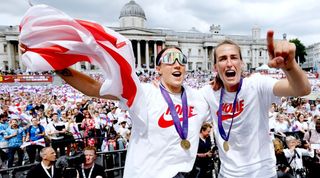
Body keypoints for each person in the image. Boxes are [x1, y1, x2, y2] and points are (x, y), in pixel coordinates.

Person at [201, 30, 311, 178]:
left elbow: (302, 89)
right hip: (227, 174)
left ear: (242, 63)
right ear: (215, 67)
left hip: (262, 172)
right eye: (222, 59)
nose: (228, 63)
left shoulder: (257, 83)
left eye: (233, 57)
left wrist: (290, 66)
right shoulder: (208, 92)